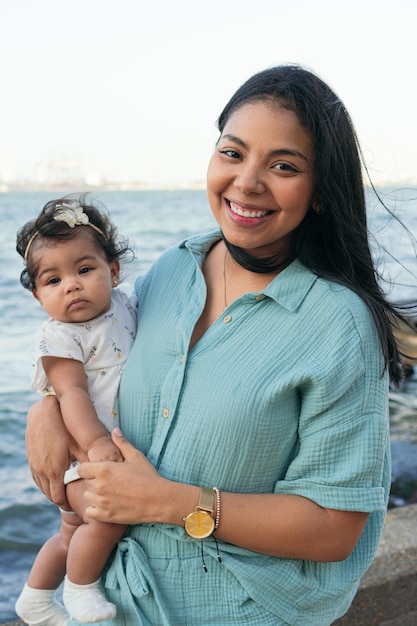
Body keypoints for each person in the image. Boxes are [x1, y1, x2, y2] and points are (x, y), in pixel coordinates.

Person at [22, 65, 410, 625]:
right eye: (233, 153)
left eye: (283, 166)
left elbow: (335, 529)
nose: (247, 182)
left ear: (321, 191)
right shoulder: (172, 270)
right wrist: (48, 409)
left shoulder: (337, 326)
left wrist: (168, 503)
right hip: (120, 604)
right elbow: (96, 354)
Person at [15, 197, 137, 624]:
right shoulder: (59, 338)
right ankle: (81, 589)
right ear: (37, 295)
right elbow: (71, 395)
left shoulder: (126, 306)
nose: (72, 285)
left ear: (114, 272)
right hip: (85, 460)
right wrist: (96, 442)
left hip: (102, 457)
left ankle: (33, 599)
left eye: (85, 270)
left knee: (70, 535)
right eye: (53, 280)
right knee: (108, 517)